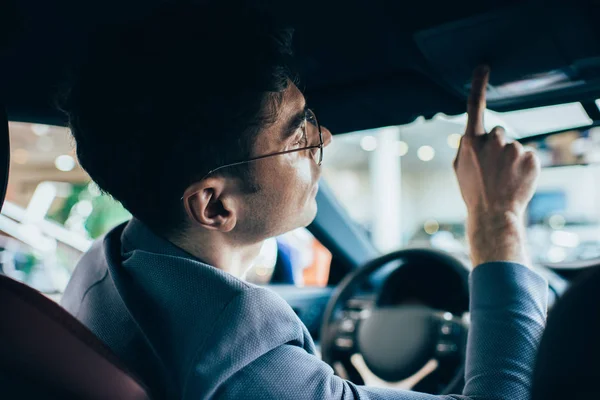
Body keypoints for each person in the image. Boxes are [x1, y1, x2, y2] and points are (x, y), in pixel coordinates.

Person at [59, 3, 547, 399]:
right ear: (214, 208)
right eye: (298, 137)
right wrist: (496, 219)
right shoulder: (241, 364)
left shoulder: (107, 271)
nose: (326, 138)